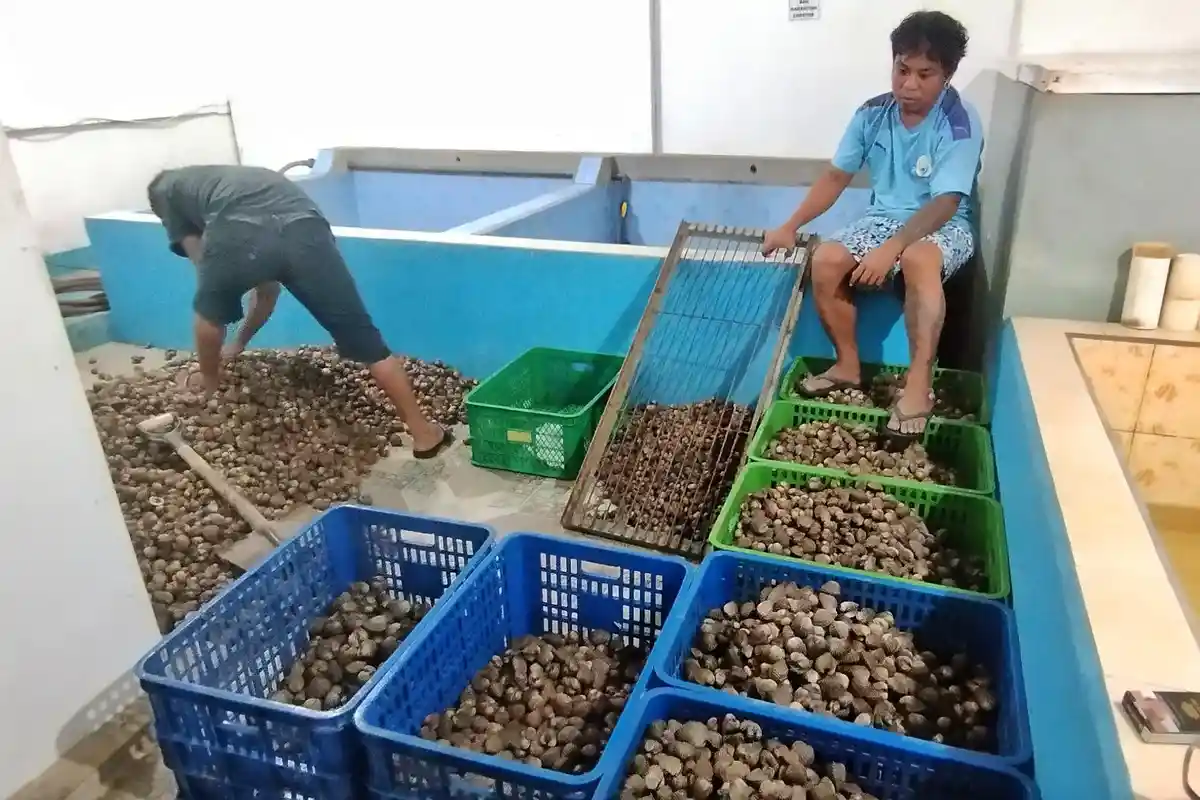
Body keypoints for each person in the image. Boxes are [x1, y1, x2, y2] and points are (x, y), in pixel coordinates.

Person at [763, 11, 981, 439]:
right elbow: (835, 177)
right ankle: (848, 366)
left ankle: (918, 388)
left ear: (948, 74)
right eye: (902, 69)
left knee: (918, 259)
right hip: (882, 220)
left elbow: (947, 201)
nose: (909, 84)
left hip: (944, 223)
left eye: (924, 74)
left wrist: (891, 249)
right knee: (827, 259)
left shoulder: (959, 122)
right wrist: (790, 224)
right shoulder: (872, 114)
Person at [146, 164, 453, 458]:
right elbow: (267, 292)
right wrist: (239, 343)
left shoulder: (164, 192)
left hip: (240, 229)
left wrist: (215, 305)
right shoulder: (218, 179)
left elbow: (203, 271)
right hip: (307, 229)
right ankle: (423, 434)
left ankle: (210, 386)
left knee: (208, 313)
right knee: (368, 341)